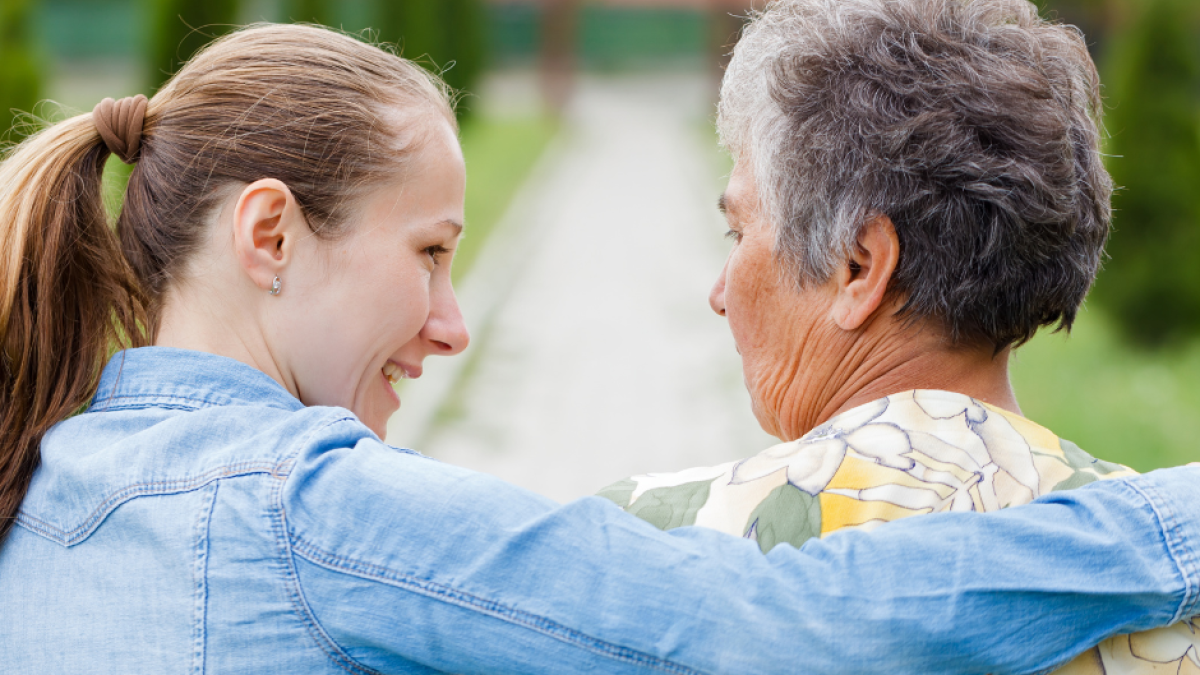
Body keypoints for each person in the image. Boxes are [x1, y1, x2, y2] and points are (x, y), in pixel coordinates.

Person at [0, 21, 1196, 675]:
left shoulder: (35, 482)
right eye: (428, 253)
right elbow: (772, 626)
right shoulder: (315, 518)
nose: (454, 321)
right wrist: (1170, 522)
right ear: (269, 232)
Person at [598, 0, 1200, 672]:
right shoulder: (1170, 584)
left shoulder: (646, 551)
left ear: (859, 264)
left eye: (739, 233)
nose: (719, 292)